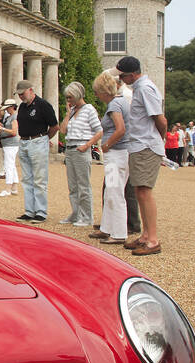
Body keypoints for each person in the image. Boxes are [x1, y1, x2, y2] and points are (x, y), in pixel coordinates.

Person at [115, 55, 166, 256]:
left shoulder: (145, 89)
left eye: (123, 75)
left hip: (145, 145)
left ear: (132, 74)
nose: (121, 79)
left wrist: (157, 142)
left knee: (144, 191)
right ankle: (145, 235)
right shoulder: (139, 88)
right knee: (139, 191)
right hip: (139, 145)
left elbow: (161, 120)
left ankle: (152, 239)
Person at [88, 71, 129, 243]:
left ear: (104, 91)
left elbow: (120, 129)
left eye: (97, 92)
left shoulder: (114, 105)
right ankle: (107, 227)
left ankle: (119, 233)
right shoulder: (121, 102)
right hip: (119, 153)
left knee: (114, 192)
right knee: (111, 191)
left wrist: (106, 145)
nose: (96, 95)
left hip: (116, 154)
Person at [58, 81, 101, 227]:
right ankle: (76, 213)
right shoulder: (72, 111)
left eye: (70, 97)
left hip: (81, 147)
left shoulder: (89, 109)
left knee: (84, 185)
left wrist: (87, 145)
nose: (68, 100)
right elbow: (63, 131)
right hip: (70, 148)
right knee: (73, 185)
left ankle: (87, 216)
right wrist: (67, 113)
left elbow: (99, 130)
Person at [15, 78, 59, 221]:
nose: (21, 96)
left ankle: (41, 211)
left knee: (39, 179)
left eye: (23, 93)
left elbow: (54, 126)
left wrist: (45, 138)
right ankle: (29, 210)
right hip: (24, 142)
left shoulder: (43, 105)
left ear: (31, 90)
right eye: (19, 94)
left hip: (38, 140)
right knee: (27, 178)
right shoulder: (22, 107)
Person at [0, 98, 20, 195]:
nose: (6, 110)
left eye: (8, 108)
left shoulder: (14, 117)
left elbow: (14, 132)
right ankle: (14, 188)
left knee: (9, 166)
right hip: (7, 143)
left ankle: (8, 189)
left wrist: (2, 128)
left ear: (12, 107)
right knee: (11, 166)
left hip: (11, 144)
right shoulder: (10, 117)